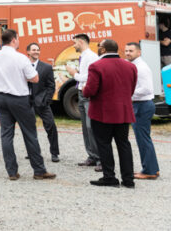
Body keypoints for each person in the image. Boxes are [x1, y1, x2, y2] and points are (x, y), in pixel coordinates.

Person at [0, 29, 55, 181]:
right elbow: (35, 78)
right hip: (19, 98)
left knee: (6, 134)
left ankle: (12, 171)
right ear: (14, 40)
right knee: (30, 133)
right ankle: (39, 170)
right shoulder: (21, 58)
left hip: (0, 97)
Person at [83, 39, 137, 187]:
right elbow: (131, 89)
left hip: (103, 112)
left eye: (99, 47)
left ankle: (109, 177)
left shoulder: (96, 66)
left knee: (104, 144)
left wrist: (84, 90)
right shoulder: (130, 66)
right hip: (123, 111)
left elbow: (90, 90)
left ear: (103, 50)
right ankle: (128, 179)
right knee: (124, 144)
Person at [124, 42, 160, 180]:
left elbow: (146, 89)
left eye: (131, 51)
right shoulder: (135, 65)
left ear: (138, 52)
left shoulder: (141, 68)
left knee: (143, 139)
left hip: (142, 105)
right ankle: (152, 169)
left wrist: (126, 95)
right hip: (141, 104)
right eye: (126, 50)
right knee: (144, 138)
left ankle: (149, 171)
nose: (127, 53)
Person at [66, 34, 100, 168]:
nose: (73, 45)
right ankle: (92, 156)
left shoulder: (91, 57)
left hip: (87, 95)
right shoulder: (85, 56)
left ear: (81, 42)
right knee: (86, 127)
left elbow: (89, 76)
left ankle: (99, 158)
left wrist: (74, 73)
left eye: (74, 43)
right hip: (81, 93)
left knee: (91, 127)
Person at [27, 43, 60, 163]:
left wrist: (46, 100)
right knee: (29, 128)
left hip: (42, 102)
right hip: (26, 101)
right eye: (33, 50)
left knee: (51, 126)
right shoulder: (23, 66)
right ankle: (32, 152)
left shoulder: (46, 67)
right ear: (28, 52)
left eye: (38, 50)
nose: (36, 52)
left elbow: (51, 85)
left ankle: (54, 153)